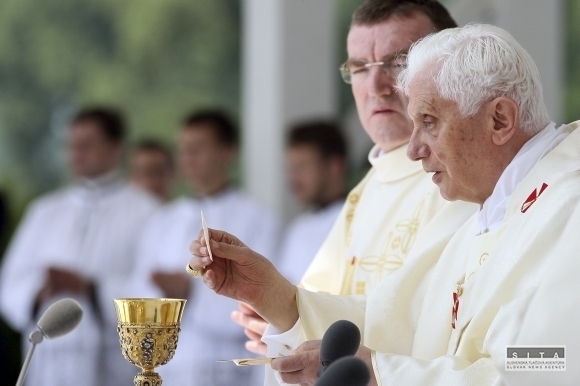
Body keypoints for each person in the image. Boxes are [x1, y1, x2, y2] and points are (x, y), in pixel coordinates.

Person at [188, 24, 580, 385]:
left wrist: (383, 375)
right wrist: (274, 296)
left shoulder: (569, 206)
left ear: (499, 120)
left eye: (429, 121)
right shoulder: (492, 210)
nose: (412, 150)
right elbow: (402, 327)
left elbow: (553, 361)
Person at [231, 0, 477, 361]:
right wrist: (279, 316)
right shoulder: (365, 190)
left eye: (399, 63)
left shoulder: (465, 178)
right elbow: (319, 298)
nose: (376, 85)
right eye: (360, 67)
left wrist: (292, 311)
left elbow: (419, 317)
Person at [0, 108, 160, 386]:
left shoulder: (148, 212)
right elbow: (10, 284)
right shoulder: (45, 211)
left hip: (112, 362)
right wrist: (39, 292)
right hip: (49, 363)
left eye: (87, 145)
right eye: (72, 145)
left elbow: (155, 292)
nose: (77, 153)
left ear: (115, 148)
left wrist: (91, 288)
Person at [125, 109, 282, 386]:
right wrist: (164, 298)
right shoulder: (162, 221)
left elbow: (266, 295)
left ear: (227, 151)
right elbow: (137, 290)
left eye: (197, 149)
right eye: (182, 150)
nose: (187, 158)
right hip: (172, 369)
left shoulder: (259, 220)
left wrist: (191, 293)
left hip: (230, 369)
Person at [277, 120, 348, 284]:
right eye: (291, 168)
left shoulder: (359, 220)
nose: (293, 179)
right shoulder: (297, 228)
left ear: (334, 166)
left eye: (302, 167)